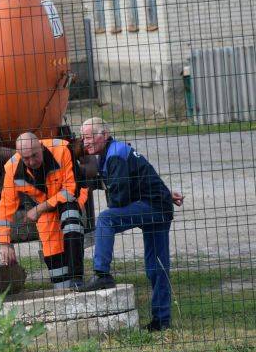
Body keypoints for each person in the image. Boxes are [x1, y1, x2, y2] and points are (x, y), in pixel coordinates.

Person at [77, 117, 185, 331]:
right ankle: (161, 321)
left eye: (89, 137)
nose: (85, 142)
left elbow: (119, 200)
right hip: (159, 204)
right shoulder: (115, 151)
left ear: (104, 135)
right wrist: (165, 193)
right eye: (83, 138)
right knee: (157, 266)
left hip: (154, 207)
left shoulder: (116, 155)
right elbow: (144, 175)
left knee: (107, 218)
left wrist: (102, 184)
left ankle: (102, 274)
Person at [0, 132, 89, 289]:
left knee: (71, 220)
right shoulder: (12, 168)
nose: (31, 161)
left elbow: (71, 190)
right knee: (54, 260)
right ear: (19, 155)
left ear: (41, 146)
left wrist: (39, 209)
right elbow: (5, 207)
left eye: (34, 155)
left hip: (70, 199)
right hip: (46, 210)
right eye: (26, 158)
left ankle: (77, 278)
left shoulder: (61, 149)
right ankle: (65, 287)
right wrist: (4, 243)